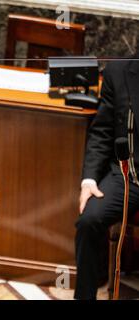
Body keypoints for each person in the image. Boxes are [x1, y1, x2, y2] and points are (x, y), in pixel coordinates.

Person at [76, 56, 139, 299]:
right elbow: (102, 132)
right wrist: (89, 179)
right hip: (128, 174)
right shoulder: (119, 71)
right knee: (89, 221)